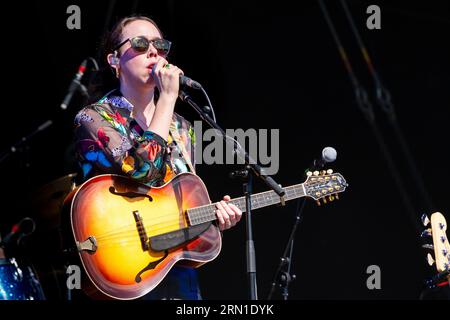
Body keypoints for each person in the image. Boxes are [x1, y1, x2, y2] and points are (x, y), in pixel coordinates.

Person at [72, 15, 242, 300]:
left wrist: (214, 216)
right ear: (114, 61)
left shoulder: (182, 128)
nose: (153, 51)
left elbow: (176, 200)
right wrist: (167, 99)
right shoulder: (94, 118)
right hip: (123, 263)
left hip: (177, 271)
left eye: (160, 45)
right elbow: (144, 171)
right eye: (140, 44)